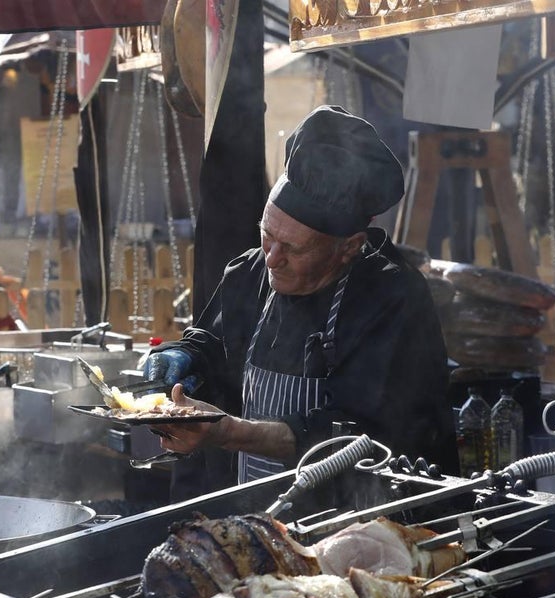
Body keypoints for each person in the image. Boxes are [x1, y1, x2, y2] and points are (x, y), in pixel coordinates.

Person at [144, 105, 455, 487]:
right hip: (250, 507)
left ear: (349, 247)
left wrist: (229, 432)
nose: (273, 259)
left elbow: (361, 434)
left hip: (350, 518)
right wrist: (185, 357)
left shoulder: (392, 299)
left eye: (294, 248)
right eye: (267, 235)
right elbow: (216, 346)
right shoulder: (249, 272)